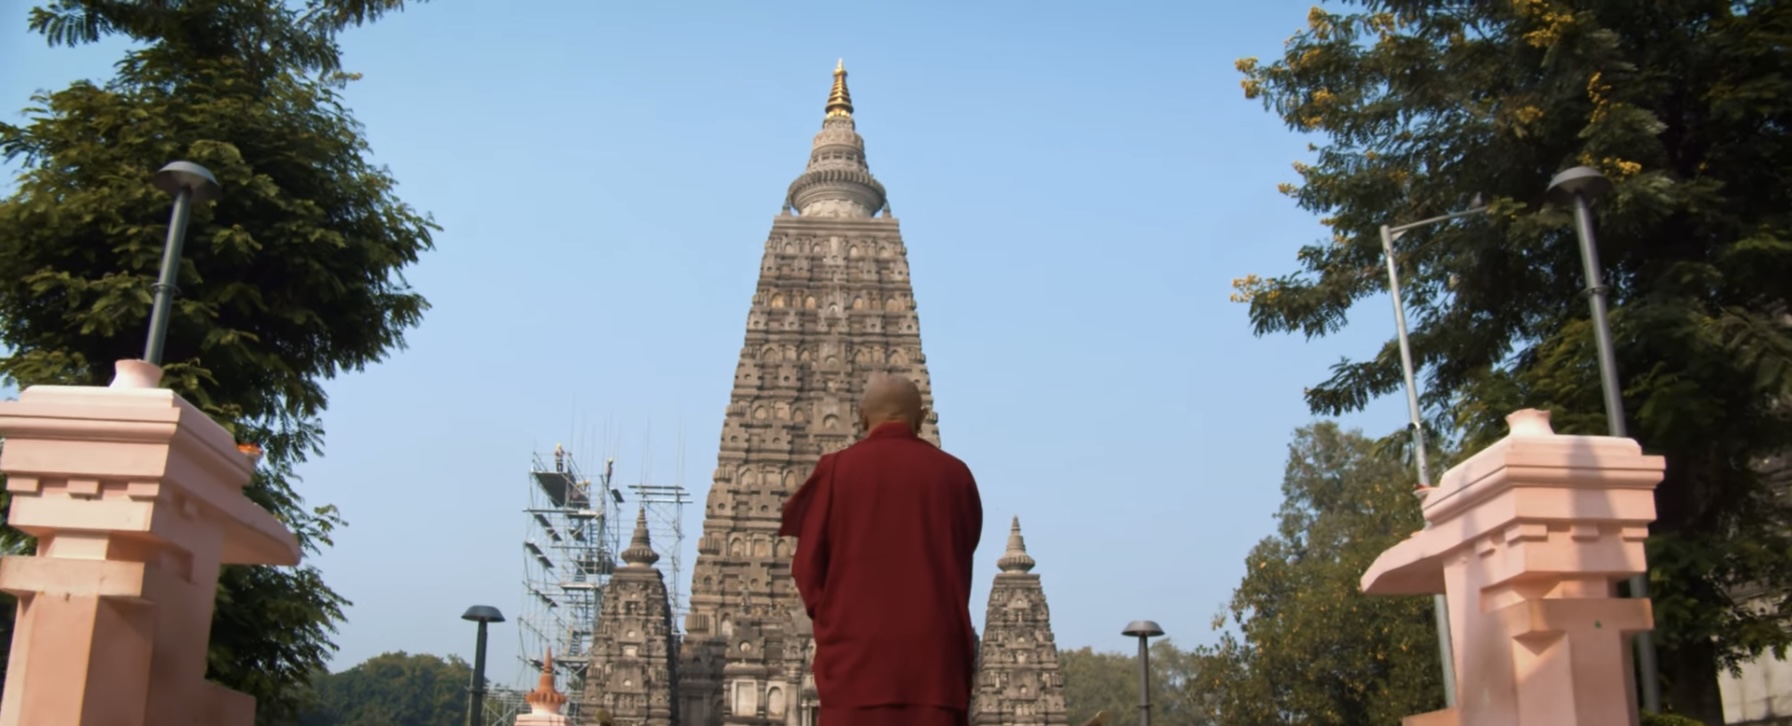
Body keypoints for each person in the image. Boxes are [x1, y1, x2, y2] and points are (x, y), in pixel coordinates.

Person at [779, 372, 984, 726]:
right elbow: (962, 552)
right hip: (934, 663)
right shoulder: (955, 476)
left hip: (856, 661)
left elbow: (808, 570)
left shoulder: (836, 472)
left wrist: (836, 618)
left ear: (861, 417)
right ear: (920, 420)